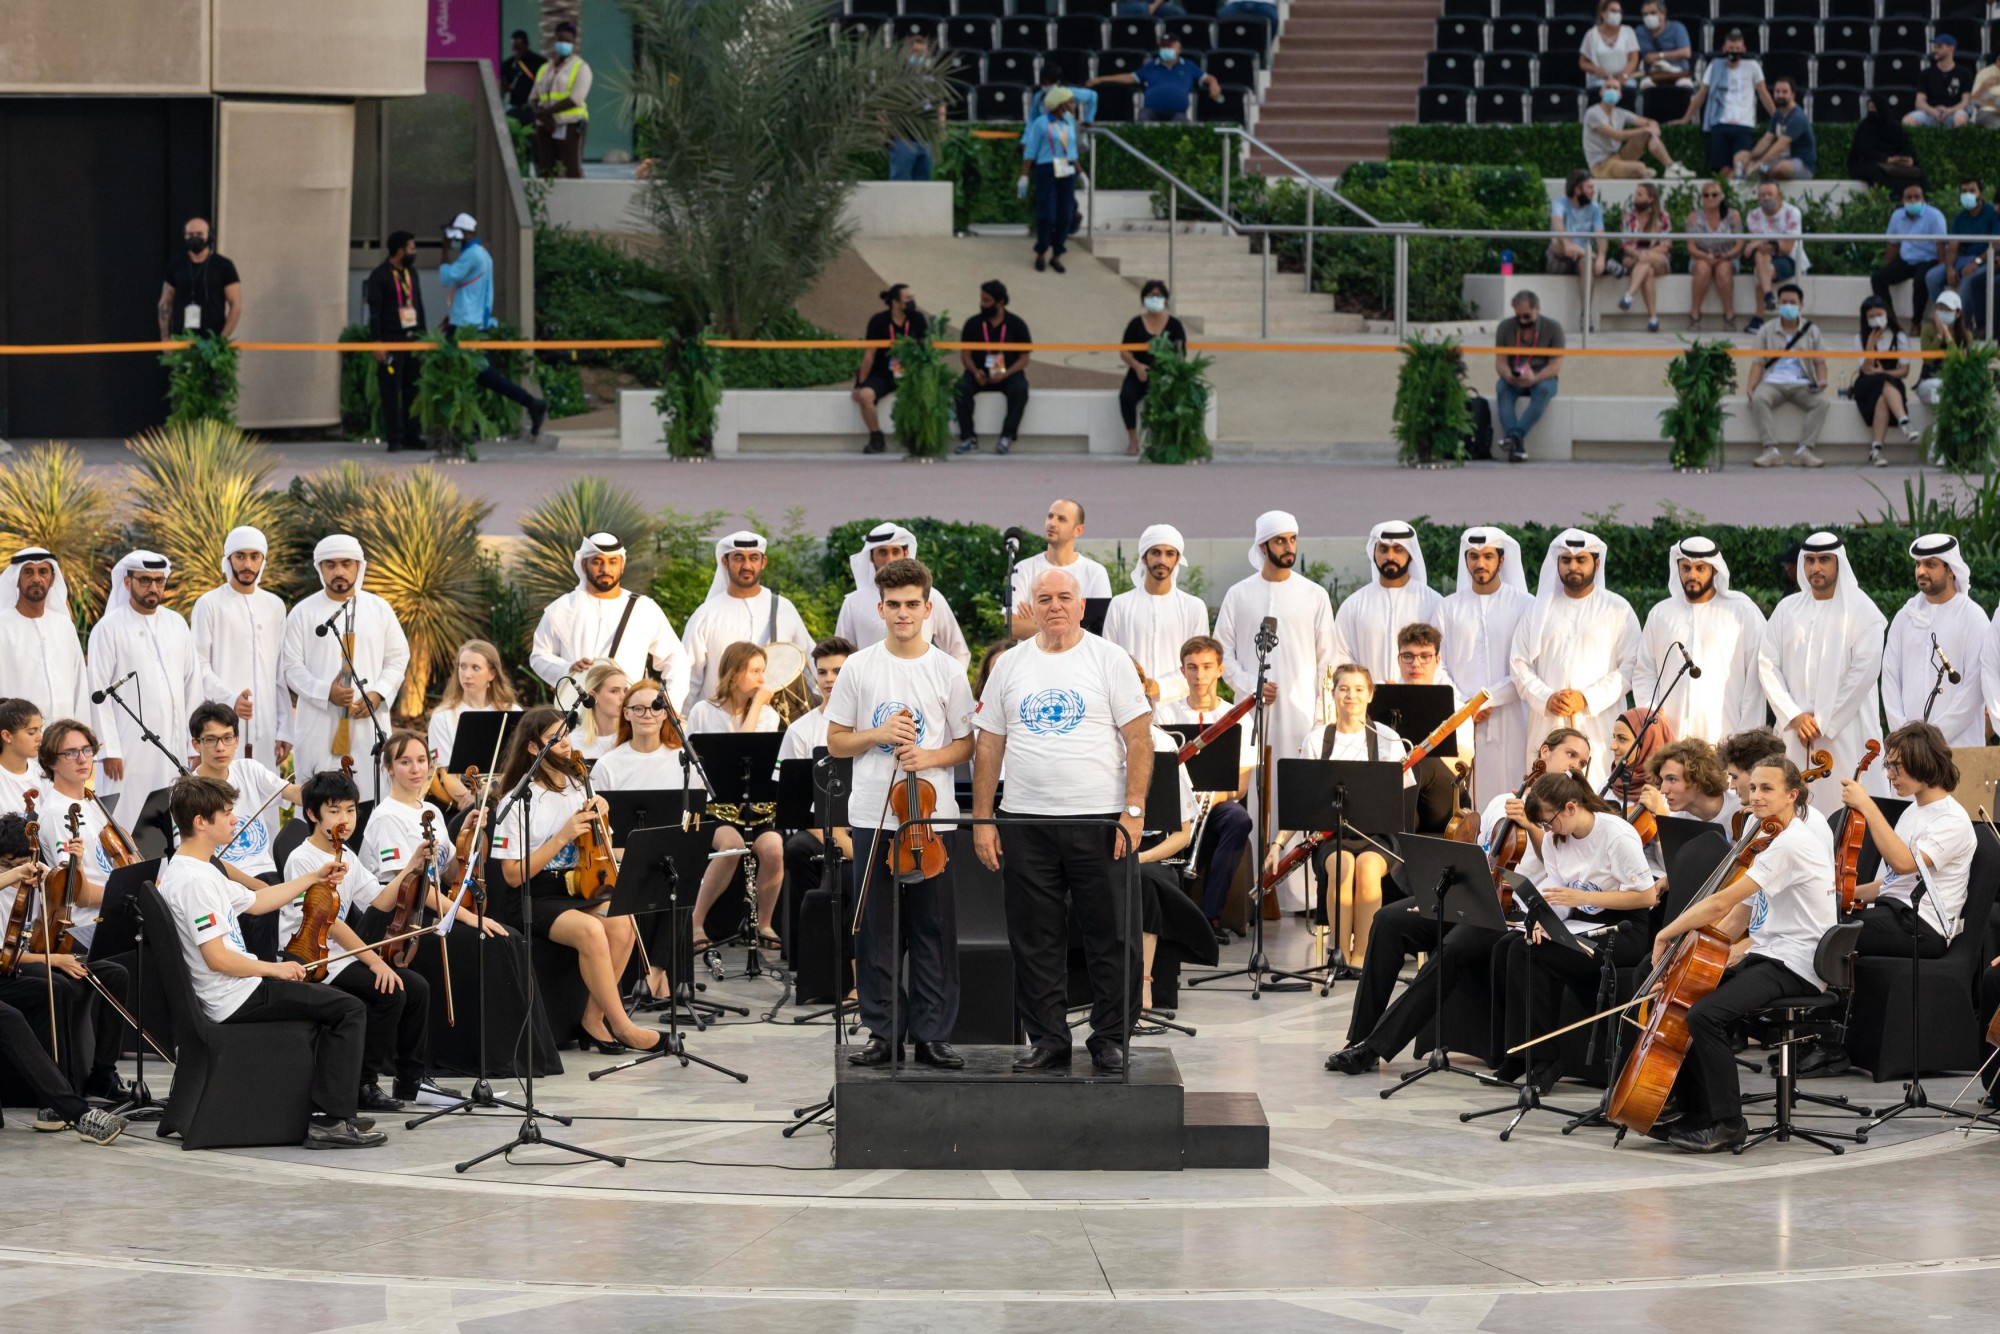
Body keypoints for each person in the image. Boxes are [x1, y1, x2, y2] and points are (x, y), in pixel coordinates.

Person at [972, 567, 1154, 1073]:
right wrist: (983, 819)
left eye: (1064, 597)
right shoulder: (1009, 665)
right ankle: (1049, 1038)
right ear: (1032, 606)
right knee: (1034, 937)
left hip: (1099, 821)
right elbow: (989, 743)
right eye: (1044, 598)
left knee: (1112, 935)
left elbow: (1139, 739)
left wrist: (1133, 810)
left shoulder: (1109, 659)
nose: (1055, 606)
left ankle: (1111, 1037)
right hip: (1025, 821)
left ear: (1081, 606)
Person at [1322, 735, 1590, 1077]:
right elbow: (1480, 857)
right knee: (1389, 919)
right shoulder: (1502, 801)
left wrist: (1530, 827)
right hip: (1475, 896)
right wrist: (1446, 894)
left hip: (1514, 913)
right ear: (1545, 753)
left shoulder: (1569, 816)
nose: (1575, 765)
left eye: (1582, 762)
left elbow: (1560, 869)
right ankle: (1358, 1037)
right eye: (1570, 754)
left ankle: (1375, 1047)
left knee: (1453, 948)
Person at [156, 773, 384, 1148]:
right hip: (235, 998)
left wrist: (314, 877)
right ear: (201, 822)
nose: (235, 820)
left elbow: (259, 902)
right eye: (227, 813)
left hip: (239, 989)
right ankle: (332, 1121)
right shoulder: (196, 881)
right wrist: (274, 969)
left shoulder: (194, 868)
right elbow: (217, 959)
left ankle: (328, 1109)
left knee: (336, 1005)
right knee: (348, 1009)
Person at [826, 558, 975, 1068]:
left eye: (913, 604)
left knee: (933, 929)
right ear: (880, 608)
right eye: (894, 605)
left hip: (931, 821)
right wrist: (879, 735)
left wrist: (929, 757)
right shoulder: (859, 666)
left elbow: (965, 744)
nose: (904, 613)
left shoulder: (947, 669)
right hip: (873, 815)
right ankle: (883, 1032)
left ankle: (932, 1034)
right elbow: (837, 741)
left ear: (928, 608)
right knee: (875, 931)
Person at [1650, 756, 1835, 1153]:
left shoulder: (1791, 844)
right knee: (1685, 999)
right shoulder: (1771, 838)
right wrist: (1700, 949)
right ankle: (1696, 1111)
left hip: (1796, 963)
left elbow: (1721, 902)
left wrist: (1668, 932)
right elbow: (1742, 913)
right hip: (1771, 953)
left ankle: (1729, 1123)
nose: (1757, 796)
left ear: (1792, 795)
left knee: (1706, 1015)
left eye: (1767, 789)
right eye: (1754, 788)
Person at [489, 706, 662, 1054]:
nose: (566, 743)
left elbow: (603, 849)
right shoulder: (518, 799)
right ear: (534, 748)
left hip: (578, 885)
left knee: (622, 919)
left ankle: (593, 1018)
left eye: (566, 734)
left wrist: (602, 819)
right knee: (592, 930)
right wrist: (563, 835)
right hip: (533, 894)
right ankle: (623, 1026)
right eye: (556, 737)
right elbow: (510, 875)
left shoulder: (578, 785)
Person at [592, 675, 760, 1003]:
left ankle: (653, 974)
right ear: (625, 713)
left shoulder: (683, 758)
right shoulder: (609, 764)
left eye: (655, 708)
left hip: (671, 852)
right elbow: (601, 829)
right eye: (637, 708)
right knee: (662, 877)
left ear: (666, 713)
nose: (646, 715)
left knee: (680, 877)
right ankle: (658, 978)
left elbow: (694, 818)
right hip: (626, 854)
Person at [1493, 769, 1662, 1094]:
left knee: (1529, 954)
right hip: (1579, 919)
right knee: (1513, 945)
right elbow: (1557, 892)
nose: (1548, 830)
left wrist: (1583, 897)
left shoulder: (1616, 834)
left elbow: (1647, 896)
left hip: (1624, 927)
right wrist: (1543, 919)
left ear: (1571, 807)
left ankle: (1542, 1059)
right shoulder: (1558, 839)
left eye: (1549, 821)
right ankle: (1524, 1051)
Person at [280, 764, 431, 1115]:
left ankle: (411, 1078)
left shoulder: (346, 854)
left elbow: (377, 900)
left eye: (350, 810)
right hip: (311, 958)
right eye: (334, 811)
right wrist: (374, 960)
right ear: (312, 815)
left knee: (418, 987)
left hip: (339, 955)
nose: (345, 819)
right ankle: (363, 1083)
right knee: (389, 990)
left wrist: (411, 865)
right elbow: (328, 923)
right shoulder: (303, 858)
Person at [1215, 511, 1337, 909]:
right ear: (1263, 546)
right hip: (1252, 716)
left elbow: (1327, 660)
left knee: (1295, 793)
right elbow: (1223, 654)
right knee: (1254, 795)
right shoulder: (1238, 594)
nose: (1289, 548)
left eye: (1292, 540)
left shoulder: (1314, 594)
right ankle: (1251, 892)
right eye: (1280, 541)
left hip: (1303, 714)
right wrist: (1250, 684)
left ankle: (1296, 894)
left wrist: (1322, 717)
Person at [1263, 663, 1414, 972]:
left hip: (1378, 838)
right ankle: (1339, 954)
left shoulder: (1387, 738)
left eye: (1359, 689)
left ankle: (1363, 957)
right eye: (1343, 688)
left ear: (1371, 695)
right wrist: (1278, 846)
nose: (1351, 696)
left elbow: (1402, 800)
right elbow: (1303, 803)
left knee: (1369, 868)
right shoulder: (1318, 739)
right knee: (1343, 865)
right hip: (1332, 837)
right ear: (1332, 694)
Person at [1756, 532, 1888, 817]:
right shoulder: (1786, 610)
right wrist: (1794, 715)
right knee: (1794, 813)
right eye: (1810, 560)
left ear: (1839, 563)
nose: (1816, 568)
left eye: (1824, 560)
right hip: (1795, 735)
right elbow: (1767, 663)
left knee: (1851, 817)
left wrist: (1822, 723)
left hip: (1848, 736)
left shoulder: (1864, 613)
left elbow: (1862, 675)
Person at [88, 551, 233, 808]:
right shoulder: (108, 628)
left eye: (159, 580)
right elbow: (98, 692)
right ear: (127, 582)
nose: (153, 587)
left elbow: (193, 687)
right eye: (144, 580)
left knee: (173, 812)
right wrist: (108, 750)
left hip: (173, 744)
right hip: (128, 748)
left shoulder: (176, 623)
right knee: (126, 812)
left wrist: (194, 745)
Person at [281, 535, 410, 804]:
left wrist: (377, 694)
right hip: (319, 725)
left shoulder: (379, 609)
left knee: (368, 801)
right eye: (330, 564)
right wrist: (325, 692)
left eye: (346, 563)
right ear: (320, 568)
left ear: (359, 566)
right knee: (318, 803)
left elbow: (398, 658)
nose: (339, 571)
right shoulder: (303, 613)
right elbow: (291, 666)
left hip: (366, 724)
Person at [1509, 528, 1641, 786]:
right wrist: (1546, 697)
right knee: (1546, 797)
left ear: (1596, 562)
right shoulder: (1537, 609)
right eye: (1566, 560)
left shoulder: (1618, 609)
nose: (1573, 566)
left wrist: (1586, 698)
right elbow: (1519, 662)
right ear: (1557, 563)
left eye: (1581, 560)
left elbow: (1630, 667)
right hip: (1548, 720)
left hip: (1596, 721)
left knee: (1596, 794)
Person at [683, 642, 788, 953]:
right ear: (734, 672)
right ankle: (696, 921)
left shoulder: (768, 716)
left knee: (773, 848)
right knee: (731, 845)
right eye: (754, 671)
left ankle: (764, 923)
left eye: (762, 671)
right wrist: (755, 706)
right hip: (717, 808)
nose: (761, 678)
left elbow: (753, 753)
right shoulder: (704, 711)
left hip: (757, 807)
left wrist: (757, 706)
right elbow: (727, 750)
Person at [1839, 722, 1974, 963]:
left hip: (1925, 926)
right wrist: (1843, 894)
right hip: (1896, 913)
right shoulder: (1913, 810)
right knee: (1823, 916)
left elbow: (1903, 863)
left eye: (1896, 767)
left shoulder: (1953, 819)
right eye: (1889, 766)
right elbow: (1895, 881)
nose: (1890, 775)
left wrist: (1867, 805)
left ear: (1923, 762)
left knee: (1831, 930)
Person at [1156, 635, 1256, 939]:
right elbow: (1158, 774)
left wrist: (1210, 799)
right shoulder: (1165, 715)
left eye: (1207, 667)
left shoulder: (1238, 718)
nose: (1200, 675)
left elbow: (1240, 787)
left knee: (1239, 819)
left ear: (1220, 670)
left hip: (1215, 805)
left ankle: (1208, 916)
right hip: (1174, 804)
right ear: (1183, 671)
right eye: (1192, 667)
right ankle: (1164, 915)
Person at [529, 531, 689, 708]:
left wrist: (668, 704)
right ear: (583, 564)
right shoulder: (562, 608)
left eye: (612, 562)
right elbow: (539, 656)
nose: (605, 569)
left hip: (628, 717)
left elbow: (676, 659)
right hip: (579, 712)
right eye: (597, 562)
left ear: (622, 565)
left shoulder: (644, 609)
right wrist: (568, 669)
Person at [1634, 537, 1767, 745]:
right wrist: (1650, 711)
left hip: (1725, 735)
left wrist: (1746, 739)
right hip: (1669, 735)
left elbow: (1756, 679)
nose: (1691, 575)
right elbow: (1645, 671)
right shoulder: (1661, 613)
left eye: (1700, 568)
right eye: (1685, 568)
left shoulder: (1742, 612)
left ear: (1714, 569)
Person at [1439, 527, 1534, 811]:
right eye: (1473, 556)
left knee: (1510, 785)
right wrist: (1464, 706)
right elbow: (1436, 663)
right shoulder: (1448, 607)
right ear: (1465, 560)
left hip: (1511, 715)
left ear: (1501, 561)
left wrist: (1487, 700)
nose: (1480, 564)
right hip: (1458, 715)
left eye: (1488, 556)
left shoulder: (1524, 605)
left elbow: (1526, 663)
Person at [0, 549, 117, 770]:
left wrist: (82, 739)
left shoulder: (63, 626)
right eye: (28, 572)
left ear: (52, 578)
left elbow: (80, 688)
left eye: (43, 571)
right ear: (16, 579)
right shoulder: (2, 625)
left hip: (64, 746)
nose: (36, 578)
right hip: (16, 746)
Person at [190, 526, 292, 773]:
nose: (247, 564)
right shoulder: (209, 604)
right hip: (221, 728)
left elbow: (280, 671)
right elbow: (197, 665)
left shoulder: (275, 606)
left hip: (265, 728)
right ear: (229, 560)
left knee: (264, 796)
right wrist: (229, 699)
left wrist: (285, 728)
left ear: (262, 561)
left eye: (254, 557)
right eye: (240, 556)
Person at [677, 530, 814, 712]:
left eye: (754, 558)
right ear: (725, 562)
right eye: (739, 558)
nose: (747, 565)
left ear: (763, 562)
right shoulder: (706, 615)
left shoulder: (784, 608)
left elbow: (810, 662)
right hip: (720, 725)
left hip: (775, 721)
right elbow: (688, 677)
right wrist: (682, 724)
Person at [438, 213, 547, 439]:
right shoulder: (482, 255)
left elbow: (448, 278)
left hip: (465, 327)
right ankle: (472, 424)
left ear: (463, 233)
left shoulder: (471, 257)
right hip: (473, 323)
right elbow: (473, 293)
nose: (452, 238)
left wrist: (444, 250)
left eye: (454, 233)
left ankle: (527, 404)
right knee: (476, 376)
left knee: (465, 374)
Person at [187, 701, 298, 912]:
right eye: (211, 740)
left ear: (237, 740)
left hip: (268, 874)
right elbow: (202, 858)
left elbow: (292, 792)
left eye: (227, 738)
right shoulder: (189, 792)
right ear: (196, 744)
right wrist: (257, 887)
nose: (221, 747)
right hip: (226, 884)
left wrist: (324, 789)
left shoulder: (248, 769)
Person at [1882, 536, 1985, 750]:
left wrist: (1933, 738)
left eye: (1930, 564)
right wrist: (1904, 736)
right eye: (1918, 564)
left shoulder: (1972, 617)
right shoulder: (1904, 617)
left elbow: (1974, 687)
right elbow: (1890, 680)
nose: (1921, 571)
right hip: (1908, 750)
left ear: (1950, 569)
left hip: (1958, 746)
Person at [834, 526, 971, 665]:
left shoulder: (931, 596)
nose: (889, 559)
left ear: (906, 553)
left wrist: (948, 683)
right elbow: (839, 655)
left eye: (895, 551)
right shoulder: (853, 603)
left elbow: (958, 651)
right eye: (882, 552)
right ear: (871, 557)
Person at [1104, 523, 1209, 704]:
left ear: (1177, 559)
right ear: (1144, 558)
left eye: (1169, 554)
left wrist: (1161, 687)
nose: (1162, 560)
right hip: (1130, 706)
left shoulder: (1194, 607)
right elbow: (1108, 660)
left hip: (1179, 707)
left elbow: (1200, 665)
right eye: (1155, 553)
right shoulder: (1120, 605)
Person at [1332, 521, 1444, 683]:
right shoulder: (1353, 605)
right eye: (1383, 549)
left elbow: (1442, 659)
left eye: (1398, 550)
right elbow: (1340, 656)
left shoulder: (1433, 602)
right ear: (1374, 553)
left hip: (1420, 699)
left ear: (1410, 553)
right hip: (1367, 703)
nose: (1390, 557)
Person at [427, 640, 520, 809]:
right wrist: (469, 800)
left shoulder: (512, 711)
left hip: (505, 798)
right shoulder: (442, 716)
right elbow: (446, 773)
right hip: (461, 802)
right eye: (462, 666)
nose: (466, 674)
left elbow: (515, 765)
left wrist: (489, 790)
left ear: (492, 674)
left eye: (475, 668)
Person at [1746, 281, 1827, 468]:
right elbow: (1758, 362)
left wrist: (1822, 380)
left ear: (1801, 306)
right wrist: (1751, 386)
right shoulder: (1766, 329)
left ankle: (1805, 451)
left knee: (1822, 402)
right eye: (1784, 302)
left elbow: (1820, 362)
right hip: (1773, 381)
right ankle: (1770, 450)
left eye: (1792, 302)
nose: (1788, 306)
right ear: (1778, 305)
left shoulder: (1811, 330)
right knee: (1758, 398)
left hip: (1802, 382)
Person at [1010, 498, 1114, 635]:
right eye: (1050, 516)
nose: (1052, 523)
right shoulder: (1023, 569)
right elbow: (1013, 627)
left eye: (1061, 519)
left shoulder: (1095, 572)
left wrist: (1037, 619)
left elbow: (1099, 628)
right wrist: (1072, 623)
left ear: (1078, 530)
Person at [363, 231, 426, 452]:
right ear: (399, 250)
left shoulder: (412, 274)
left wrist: (423, 338)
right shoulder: (379, 276)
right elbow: (375, 312)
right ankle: (394, 437)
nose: (414, 252)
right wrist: (377, 342)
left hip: (412, 342)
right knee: (391, 388)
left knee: (413, 389)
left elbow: (419, 306)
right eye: (411, 248)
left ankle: (412, 434)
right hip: (390, 342)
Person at [1674, 29, 1771, 173]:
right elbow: (1701, 94)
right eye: (1731, 48)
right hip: (1720, 123)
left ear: (1743, 49)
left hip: (1743, 124)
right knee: (1723, 169)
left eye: (1737, 49)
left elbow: (1763, 93)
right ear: (1724, 48)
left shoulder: (1752, 66)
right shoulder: (1714, 66)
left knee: (1741, 163)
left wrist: (1777, 116)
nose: (1734, 52)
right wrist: (1686, 118)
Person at [953, 280, 1032, 457]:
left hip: (1008, 374)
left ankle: (1007, 436)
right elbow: (965, 355)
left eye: (987, 300)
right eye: (981, 299)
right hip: (979, 372)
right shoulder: (973, 323)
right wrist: (975, 371)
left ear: (1001, 302)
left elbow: (1024, 358)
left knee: (1020, 390)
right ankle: (968, 438)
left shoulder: (1017, 324)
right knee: (961, 388)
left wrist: (1006, 374)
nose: (982, 304)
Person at [853, 284, 930, 454]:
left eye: (912, 298)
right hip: (883, 373)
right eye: (907, 299)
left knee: (924, 395)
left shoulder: (918, 319)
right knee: (866, 395)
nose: (912, 302)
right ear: (895, 302)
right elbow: (869, 354)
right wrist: (860, 383)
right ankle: (876, 437)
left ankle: (911, 435)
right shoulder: (878, 321)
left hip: (910, 373)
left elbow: (926, 350)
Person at [1493, 290, 1565, 464]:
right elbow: (1500, 362)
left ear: (1537, 309)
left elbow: (1555, 365)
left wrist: (1536, 377)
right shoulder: (1505, 327)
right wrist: (1508, 374)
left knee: (1543, 390)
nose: (1522, 321)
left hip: (1542, 376)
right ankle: (1516, 443)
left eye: (1527, 316)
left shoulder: (1553, 328)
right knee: (1502, 388)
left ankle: (1514, 437)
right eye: (1518, 316)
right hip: (1515, 377)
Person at [1117, 280, 1187, 456]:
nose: (1154, 299)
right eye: (1150, 296)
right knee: (1126, 396)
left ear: (1165, 299)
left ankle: (1168, 441)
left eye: (1158, 296)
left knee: (1175, 398)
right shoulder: (1135, 323)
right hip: (1140, 373)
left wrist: (1169, 368)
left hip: (1165, 374)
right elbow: (1124, 351)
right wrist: (1137, 366)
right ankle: (1133, 441)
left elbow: (1181, 353)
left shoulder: (1174, 325)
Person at [1547, 172, 1621, 336]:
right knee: (1558, 241)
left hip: (1583, 257)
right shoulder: (1559, 204)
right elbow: (1557, 223)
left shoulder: (1594, 208)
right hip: (1559, 256)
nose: (1593, 192)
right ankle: (1599, 259)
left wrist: (1601, 255)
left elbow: (1601, 235)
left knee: (1585, 261)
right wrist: (1567, 244)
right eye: (1589, 188)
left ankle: (1585, 315)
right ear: (1577, 190)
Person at [1019, 89, 1081, 275]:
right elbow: (1031, 151)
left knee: (1065, 214)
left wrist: (1081, 172)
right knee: (1047, 214)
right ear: (1059, 104)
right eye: (1070, 102)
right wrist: (1024, 175)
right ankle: (1041, 251)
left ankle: (1057, 254)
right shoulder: (1041, 123)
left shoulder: (1069, 122)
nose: (1073, 106)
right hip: (1046, 170)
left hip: (1066, 170)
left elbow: (1072, 151)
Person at [1928, 179, 2000, 336]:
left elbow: (1995, 245)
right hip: (1964, 259)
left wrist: (1977, 262)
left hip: (1986, 259)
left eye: (1972, 191)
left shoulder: (1991, 213)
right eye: (1964, 191)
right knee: (1932, 277)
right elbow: (1953, 245)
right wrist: (1949, 269)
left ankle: (1961, 325)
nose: (1967, 195)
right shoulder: (1960, 217)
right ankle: (1943, 319)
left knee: (1969, 279)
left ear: (1980, 193)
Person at [1091, 37, 1221, 124]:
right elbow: (1129, 77)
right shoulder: (1151, 66)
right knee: (1143, 118)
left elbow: (1207, 78)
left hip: (1177, 113)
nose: (1166, 50)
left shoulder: (1188, 66)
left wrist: (1214, 83)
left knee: (1181, 125)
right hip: (1151, 112)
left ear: (1179, 49)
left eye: (1170, 47)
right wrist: (1100, 79)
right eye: (1164, 47)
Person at [1871, 185, 1947, 331]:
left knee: (1920, 281)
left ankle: (1916, 323)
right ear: (1902, 200)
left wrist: (1942, 269)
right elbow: (1892, 244)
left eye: (1917, 197)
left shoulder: (1934, 216)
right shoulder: (1897, 216)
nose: (1913, 200)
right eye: (1909, 197)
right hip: (1906, 260)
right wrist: (1887, 266)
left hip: (1928, 259)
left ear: (1923, 198)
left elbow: (1940, 245)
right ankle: (1891, 322)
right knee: (1878, 278)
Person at [1852, 296, 1916, 466]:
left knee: (1882, 397)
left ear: (1887, 314)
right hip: (1866, 384)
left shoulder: (1899, 336)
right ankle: (1904, 421)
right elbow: (1866, 369)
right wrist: (1870, 346)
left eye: (1879, 314)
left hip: (1891, 382)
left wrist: (1883, 372)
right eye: (1871, 317)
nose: (1876, 319)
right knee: (1881, 380)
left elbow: (1904, 370)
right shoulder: (1860, 338)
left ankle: (1876, 449)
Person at [157, 216, 241, 341]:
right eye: (190, 234)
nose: (194, 237)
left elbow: (235, 305)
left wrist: (222, 339)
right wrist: (165, 338)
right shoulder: (176, 265)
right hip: (182, 338)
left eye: (199, 234)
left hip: (213, 340)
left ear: (209, 235)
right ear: (184, 236)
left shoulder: (224, 266)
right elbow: (164, 303)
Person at [529, 20, 591, 179]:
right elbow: (534, 97)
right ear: (554, 40)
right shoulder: (545, 68)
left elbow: (575, 99)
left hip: (570, 124)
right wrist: (541, 115)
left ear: (574, 42)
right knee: (546, 170)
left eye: (567, 41)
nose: (563, 44)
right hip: (545, 126)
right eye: (560, 40)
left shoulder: (581, 68)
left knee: (571, 169)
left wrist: (546, 112)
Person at [1581, 86, 1683, 183]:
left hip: (1618, 157)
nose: (1611, 90)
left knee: (1646, 135)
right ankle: (1642, 173)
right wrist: (1645, 129)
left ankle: (1671, 166)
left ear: (1620, 94)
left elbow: (1649, 122)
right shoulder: (1593, 113)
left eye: (1615, 88)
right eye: (1608, 87)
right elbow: (1617, 135)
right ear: (1601, 92)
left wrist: (1653, 129)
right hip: (1601, 165)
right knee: (1640, 167)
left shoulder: (1620, 113)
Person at [1743, 181, 1805, 330]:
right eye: (1762, 195)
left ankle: (1758, 317)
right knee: (1760, 258)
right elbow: (1757, 246)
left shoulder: (1792, 213)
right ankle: (1768, 294)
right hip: (1766, 258)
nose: (1766, 198)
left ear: (1779, 195)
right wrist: (1761, 245)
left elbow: (1787, 246)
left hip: (1790, 258)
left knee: (1760, 265)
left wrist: (1760, 243)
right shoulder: (1753, 216)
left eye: (1769, 194)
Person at [1685, 181, 1743, 333]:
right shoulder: (1693, 217)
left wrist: (1726, 255)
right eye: (1706, 195)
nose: (1710, 198)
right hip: (1701, 255)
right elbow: (1690, 246)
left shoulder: (1733, 215)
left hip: (1728, 255)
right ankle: (1694, 315)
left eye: (1714, 194)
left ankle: (1730, 315)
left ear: (1721, 196)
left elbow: (1739, 244)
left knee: (1723, 270)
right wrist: (1705, 255)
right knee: (1702, 268)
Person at [887, 35, 947, 182]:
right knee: (900, 183)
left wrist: (942, 128)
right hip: (903, 140)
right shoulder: (896, 79)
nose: (918, 57)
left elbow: (941, 104)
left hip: (925, 140)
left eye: (922, 53)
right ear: (906, 54)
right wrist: (883, 132)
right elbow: (884, 107)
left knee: (923, 184)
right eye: (915, 52)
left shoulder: (932, 79)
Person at [1733, 77, 1815, 183]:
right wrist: (1750, 156)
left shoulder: (1797, 117)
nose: (1780, 95)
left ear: (1793, 95)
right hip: (1779, 160)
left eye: (1784, 92)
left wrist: (1759, 164)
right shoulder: (1777, 114)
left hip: (1801, 164)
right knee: (1740, 157)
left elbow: (1780, 146)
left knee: (1781, 168)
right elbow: (1767, 139)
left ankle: (1761, 173)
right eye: (1777, 92)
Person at [1618, 181, 1673, 331]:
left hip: (1658, 258)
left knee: (1647, 259)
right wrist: (1639, 255)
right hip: (1636, 258)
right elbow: (1625, 244)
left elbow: (1665, 245)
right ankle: (1653, 318)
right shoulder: (1629, 217)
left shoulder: (1662, 217)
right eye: (1636, 194)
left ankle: (1629, 294)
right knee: (1647, 270)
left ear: (1651, 199)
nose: (1635, 198)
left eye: (1640, 195)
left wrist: (1645, 254)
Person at [1848, 95, 1927, 194]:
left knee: (1918, 175)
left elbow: (1907, 148)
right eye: (1870, 108)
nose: (1872, 112)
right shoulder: (1864, 128)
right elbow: (1863, 152)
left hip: (1897, 165)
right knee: (1877, 173)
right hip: (1871, 164)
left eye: (1874, 108)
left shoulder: (1894, 127)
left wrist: (1907, 159)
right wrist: (1887, 160)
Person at [1917, 289, 1970, 408]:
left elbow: (1959, 361)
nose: (1942, 312)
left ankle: (1941, 426)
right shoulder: (1928, 329)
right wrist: (1939, 335)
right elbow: (1928, 360)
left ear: (1958, 313)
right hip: (1929, 380)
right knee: (1937, 387)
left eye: (1947, 310)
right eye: (1940, 309)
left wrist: (1948, 336)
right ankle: (1940, 425)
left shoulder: (1966, 335)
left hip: (1954, 381)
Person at [1908, 33, 1972, 129]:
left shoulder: (1964, 73)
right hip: (1931, 112)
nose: (1935, 50)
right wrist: (1932, 111)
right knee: (1908, 121)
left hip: (1954, 111)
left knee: (1960, 119)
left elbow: (1965, 102)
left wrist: (1949, 110)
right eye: (1935, 47)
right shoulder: (1926, 73)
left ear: (1951, 48)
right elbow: (1919, 102)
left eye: (1939, 47)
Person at [1578, 1, 1640, 99]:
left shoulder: (1628, 32)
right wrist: (1596, 70)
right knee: (1601, 88)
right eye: (1613, 11)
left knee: (1630, 87)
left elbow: (1634, 58)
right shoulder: (1591, 34)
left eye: (1619, 12)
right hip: (1599, 80)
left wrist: (1623, 76)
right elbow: (1583, 62)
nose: (1617, 14)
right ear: (1602, 13)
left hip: (1624, 79)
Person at [570, 661, 629, 762]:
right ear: (593, 695)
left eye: (625, 691)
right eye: (614, 691)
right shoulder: (572, 741)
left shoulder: (633, 736)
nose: (623, 697)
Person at [1635, 3, 1692, 93]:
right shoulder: (1639, 32)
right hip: (1653, 74)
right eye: (1645, 14)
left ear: (1663, 14)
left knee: (1685, 87)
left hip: (1678, 73)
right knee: (1645, 87)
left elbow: (1686, 53)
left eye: (1653, 13)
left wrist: (1659, 55)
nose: (1648, 17)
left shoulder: (1677, 28)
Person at [501, 28, 546, 123]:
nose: (516, 52)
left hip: (532, 107)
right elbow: (503, 87)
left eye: (519, 48)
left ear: (526, 46)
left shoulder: (539, 62)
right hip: (514, 106)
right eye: (514, 49)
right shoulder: (508, 64)